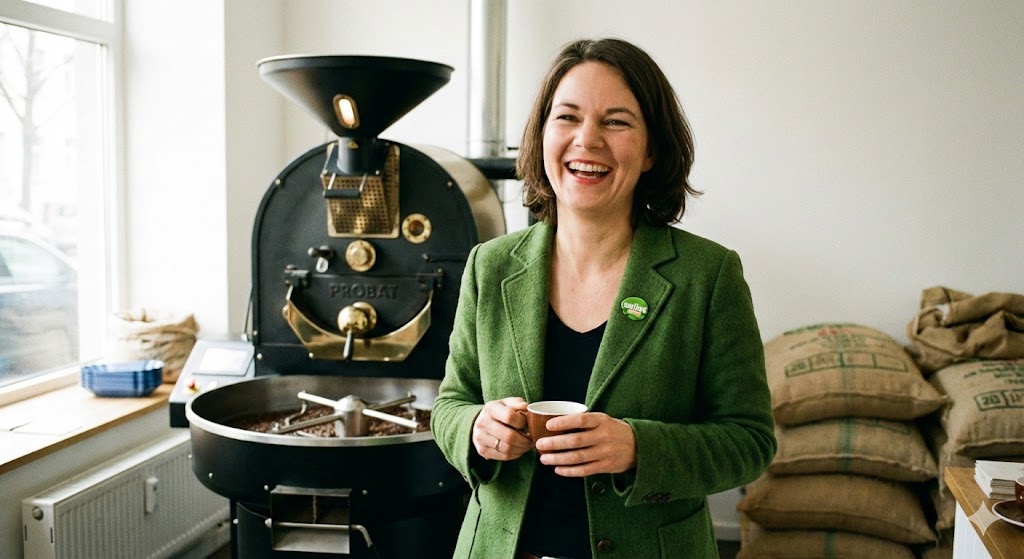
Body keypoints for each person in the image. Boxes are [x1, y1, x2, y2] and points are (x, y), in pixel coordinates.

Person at [430, 37, 776, 559]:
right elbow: (449, 404)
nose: (586, 141)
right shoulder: (490, 265)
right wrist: (476, 429)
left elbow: (749, 441)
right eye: (567, 117)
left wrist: (639, 448)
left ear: (652, 148)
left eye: (616, 121)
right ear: (542, 134)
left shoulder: (707, 274)